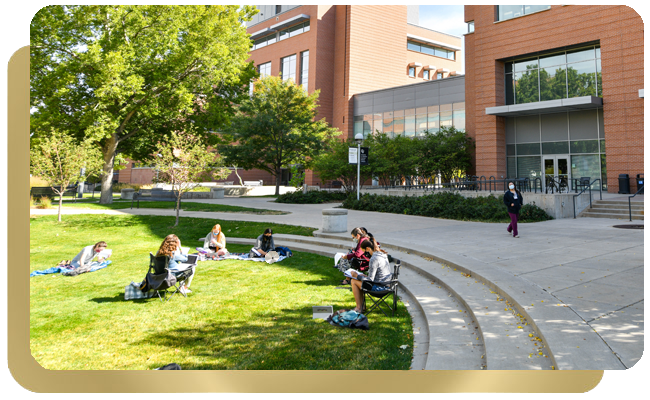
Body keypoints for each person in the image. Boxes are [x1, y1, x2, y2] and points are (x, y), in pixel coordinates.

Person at [348, 238, 393, 313]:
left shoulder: (374, 259)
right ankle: (362, 306)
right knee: (359, 280)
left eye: (364, 251)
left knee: (353, 281)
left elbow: (370, 280)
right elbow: (376, 275)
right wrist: (364, 276)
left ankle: (359, 308)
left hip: (379, 288)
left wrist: (357, 276)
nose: (364, 254)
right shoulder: (382, 254)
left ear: (368, 248)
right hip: (387, 285)